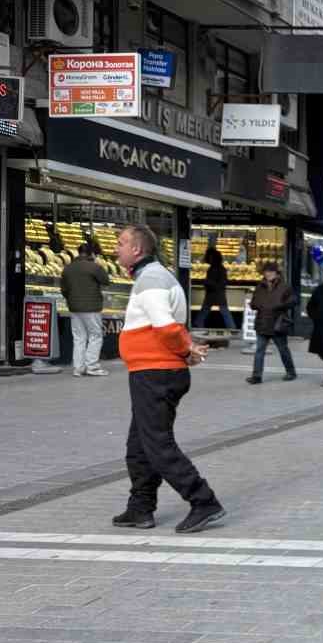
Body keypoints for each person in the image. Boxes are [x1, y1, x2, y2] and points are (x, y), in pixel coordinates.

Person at [111, 224, 226, 534]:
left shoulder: (151, 279)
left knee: (157, 444)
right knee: (139, 445)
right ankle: (140, 508)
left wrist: (186, 350)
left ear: (137, 249)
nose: (116, 248)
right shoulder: (155, 276)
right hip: (153, 371)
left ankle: (203, 501)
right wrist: (186, 350)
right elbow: (171, 327)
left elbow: (165, 326)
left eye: (121, 243)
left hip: (155, 373)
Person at [60, 242, 110, 377]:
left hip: (74, 307)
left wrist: (71, 299)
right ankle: (92, 366)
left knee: (79, 338)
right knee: (95, 336)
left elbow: (64, 289)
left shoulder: (68, 268)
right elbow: (106, 281)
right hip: (91, 307)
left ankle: (78, 368)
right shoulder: (94, 267)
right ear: (91, 254)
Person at [245, 262, 296, 384]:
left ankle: (291, 372)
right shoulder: (259, 287)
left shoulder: (285, 287)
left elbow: (293, 301)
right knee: (259, 350)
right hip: (262, 322)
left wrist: (279, 305)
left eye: (271, 272)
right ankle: (257, 376)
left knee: (283, 349)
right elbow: (253, 303)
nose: (268, 274)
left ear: (277, 273)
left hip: (277, 323)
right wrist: (256, 305)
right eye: (266, 272)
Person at [194, 244, 236, 331]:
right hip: (218, 294)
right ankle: (232, 328)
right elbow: (223, 282)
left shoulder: (214, 268)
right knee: (223, 311)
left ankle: (198, 324)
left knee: (208, 310)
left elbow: (218, 282)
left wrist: (208, 283)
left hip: (214, 293)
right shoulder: (219, 268)